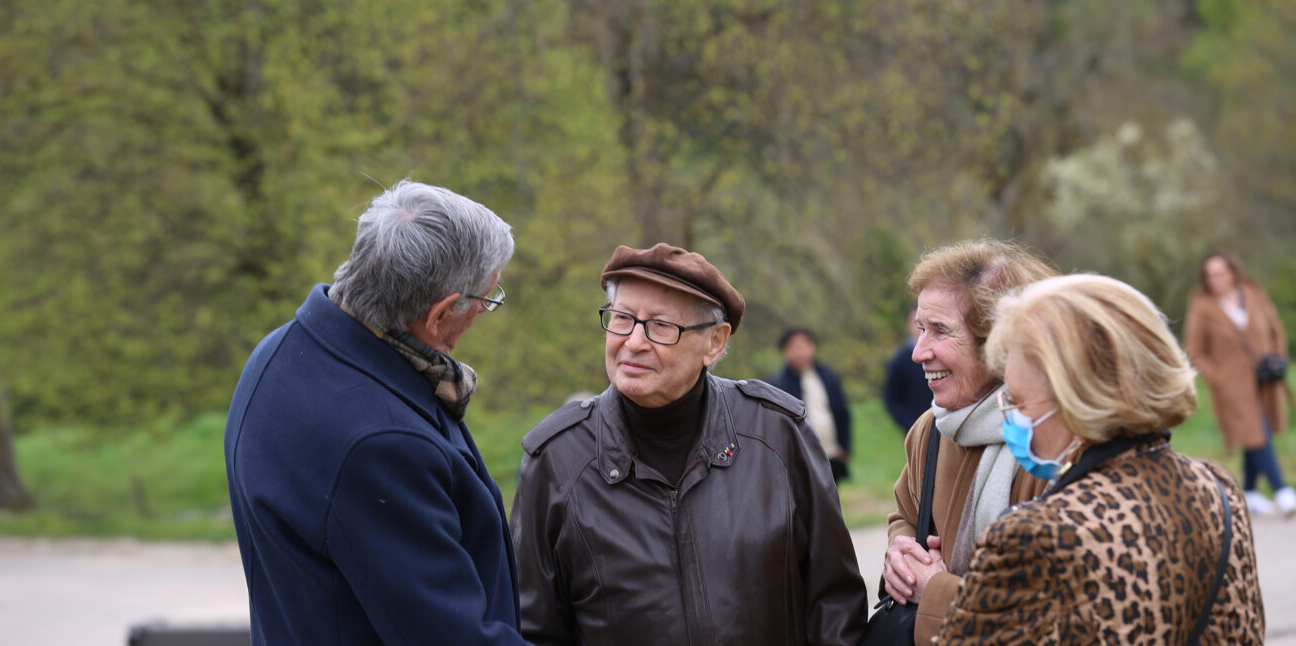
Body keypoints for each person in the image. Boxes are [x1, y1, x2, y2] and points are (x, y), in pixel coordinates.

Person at [511, 243, 868, 646]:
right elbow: (532, 629)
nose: (633, 342)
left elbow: (835, 602)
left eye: (660, 326)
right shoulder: (556, 459)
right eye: (622, 318)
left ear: (714, 343)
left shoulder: (778, 434)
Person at [224, 181, 526, 645]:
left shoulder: (280, 351)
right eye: (487, 299)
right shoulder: (381, 445)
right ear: (441, 314)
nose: (484, 310)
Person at [937, 274, 1265, 643]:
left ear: (1076, 398)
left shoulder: (1035, 535)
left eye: (1018, 400)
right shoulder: (1218, 492)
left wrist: (934, 589)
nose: (1012, 416)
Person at [881, 239, 1055, 645]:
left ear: (1001, 341)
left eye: (940, 330)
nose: (919, 352)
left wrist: (936, 593)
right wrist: (903, 555)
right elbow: (905, 514)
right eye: (921, 328)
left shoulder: (1054, 443)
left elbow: (1053, 611)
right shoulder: (930, 430)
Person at [1184, 251, 1294, 516]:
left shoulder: (1252, 293)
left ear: (1232, 272)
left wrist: (1279, 357)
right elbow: (1195, 351)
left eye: (1220, 272)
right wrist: (1219, 378)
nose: (1215, 279)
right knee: (1257, 430)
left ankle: (1251, 492)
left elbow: (1274, 326)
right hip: (1233, 383)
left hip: (1265, 377)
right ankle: (1281, 490)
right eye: (1210, 274)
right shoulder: (1202, 306)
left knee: (1255, 431)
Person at [768, 327, 853, 482]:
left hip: (832, 452)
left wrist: (845, 447)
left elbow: (842, 413)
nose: (800, 352)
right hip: (800, 457)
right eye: (794, 347)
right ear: (785, 351)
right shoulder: (778, 384)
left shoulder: (828, 376)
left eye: (805, 345)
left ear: (813, 347)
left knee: (831, 500)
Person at [883, 304, 930, 433]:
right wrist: (911, 424)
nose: (920, 327)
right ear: (908, 324)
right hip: (916, 430)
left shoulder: (942, 354)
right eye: (916, 322)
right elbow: (892, 399)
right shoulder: (899, 361)